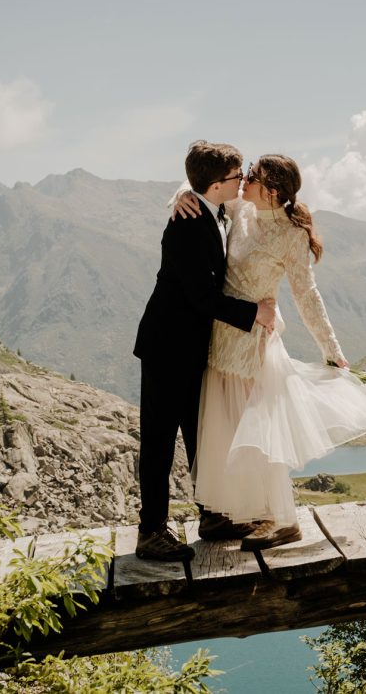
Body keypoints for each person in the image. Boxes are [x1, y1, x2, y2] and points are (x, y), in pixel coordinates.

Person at [173, 154, 366, 550]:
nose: (244, 180)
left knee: (260, 436)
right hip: (221, 339)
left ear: (272, 190)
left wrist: (331, 348)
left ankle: (283, 521)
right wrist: (181, 196)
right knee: (229, 433)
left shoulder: (291, 236)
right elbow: (206, 191)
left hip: (255, 344)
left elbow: (307, 296)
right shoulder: (241, 209)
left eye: (252, 176)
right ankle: (249, 514)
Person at [132, 140, 277, 561]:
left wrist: (181, 191)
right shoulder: (187, 226)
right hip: (166, 348)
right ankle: (150, 532)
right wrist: (255, 314)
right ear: (216, 185)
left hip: (193, 348)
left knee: (201, 436)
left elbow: (195, 185)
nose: (242, 181)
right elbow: (202, 298)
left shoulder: (211, 207)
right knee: (159, 442)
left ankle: (212, 515)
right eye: (236, 176)